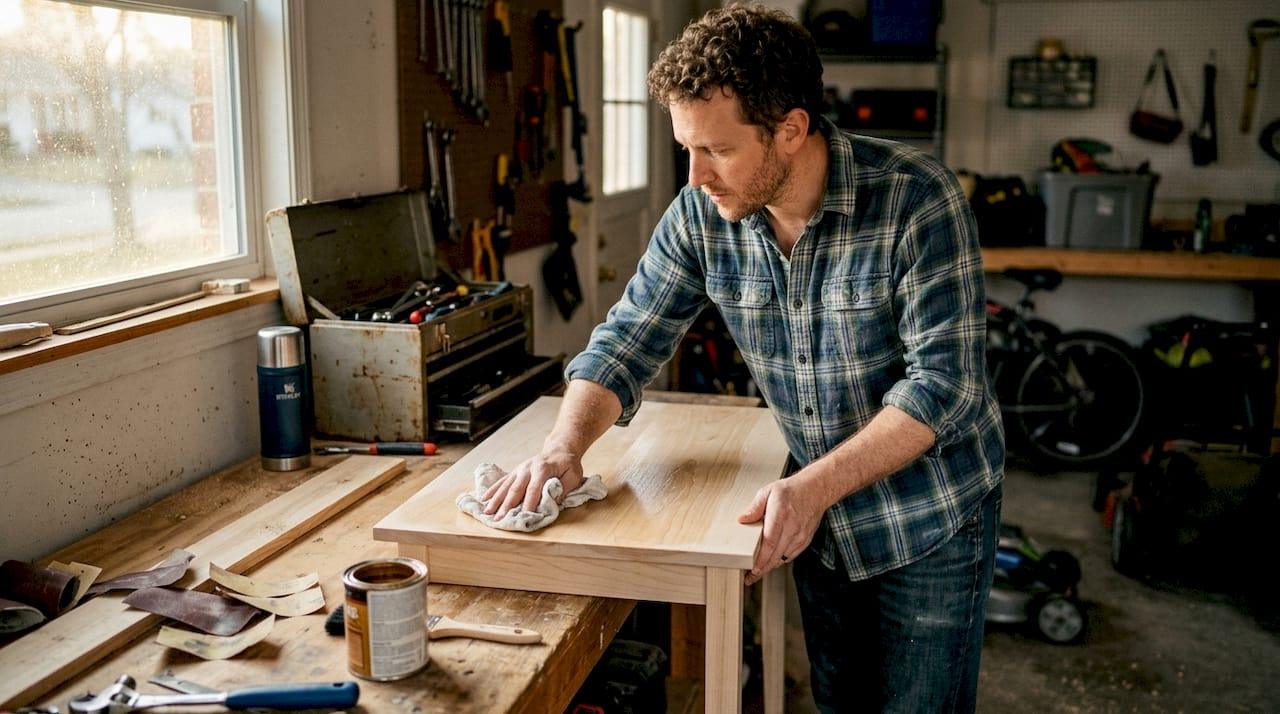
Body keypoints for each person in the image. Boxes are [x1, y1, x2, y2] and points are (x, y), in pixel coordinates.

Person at [482, 3, 1004, 711]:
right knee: (841, 700)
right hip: (819, 516)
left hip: (929, 516)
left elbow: (944, 389)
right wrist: (561, 448)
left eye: (717, 150)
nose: (695, 176)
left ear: (791, 130)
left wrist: (812, 488)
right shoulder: (703, 212)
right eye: (686, 148)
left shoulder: (917, 199)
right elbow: (626, 338)